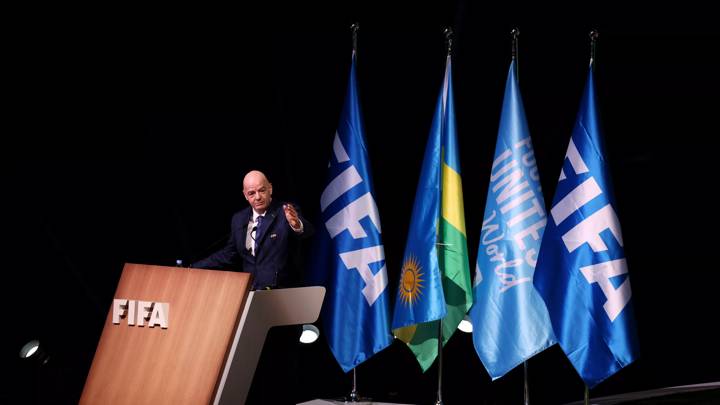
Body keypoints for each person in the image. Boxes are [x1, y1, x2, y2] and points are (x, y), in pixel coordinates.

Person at [193, 170, 314, 290]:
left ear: (270, 189)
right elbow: (228, 254)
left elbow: (308, 233)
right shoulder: (239, 219)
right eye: (251, 193)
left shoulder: (285, 211)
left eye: (262, 190)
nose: (258, 197)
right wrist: (194, 267)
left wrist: (297, 225)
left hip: (284, 290)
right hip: (252, 291)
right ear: (245, 195)